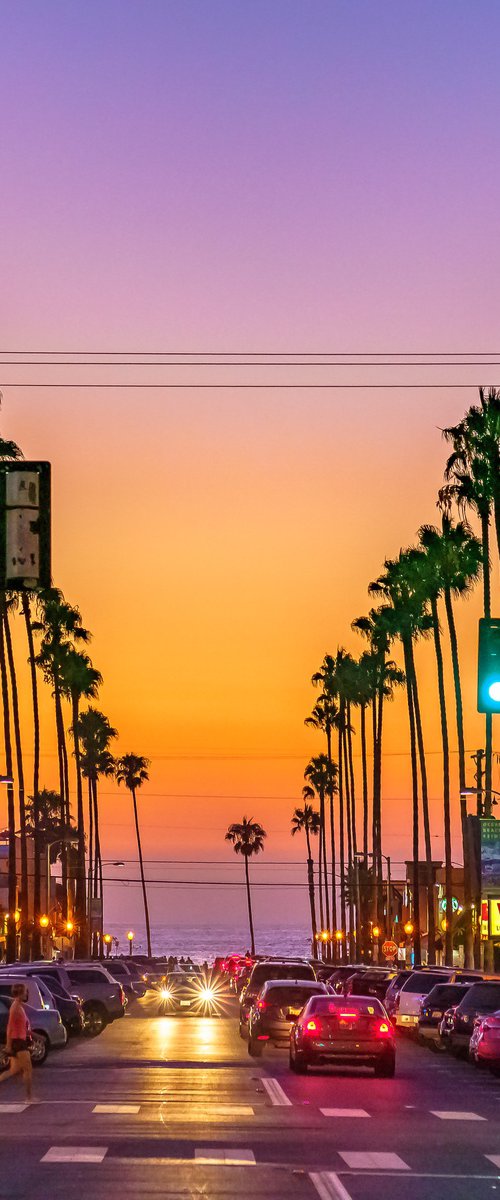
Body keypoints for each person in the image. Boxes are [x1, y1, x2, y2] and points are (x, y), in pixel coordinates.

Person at [0, 984, 33, 1101]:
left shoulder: (19, 1006)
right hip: (18, 1042)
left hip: (20, 1040)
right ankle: (29, 1098)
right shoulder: (15, 1007)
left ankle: (29, 1097)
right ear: (20, 993)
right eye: (25, 992)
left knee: (13, 1070)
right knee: (28, 1069)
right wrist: (8, 1045)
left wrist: (36, 1035)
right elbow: (10, 1027)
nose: (26, 994)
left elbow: (22, 1028)